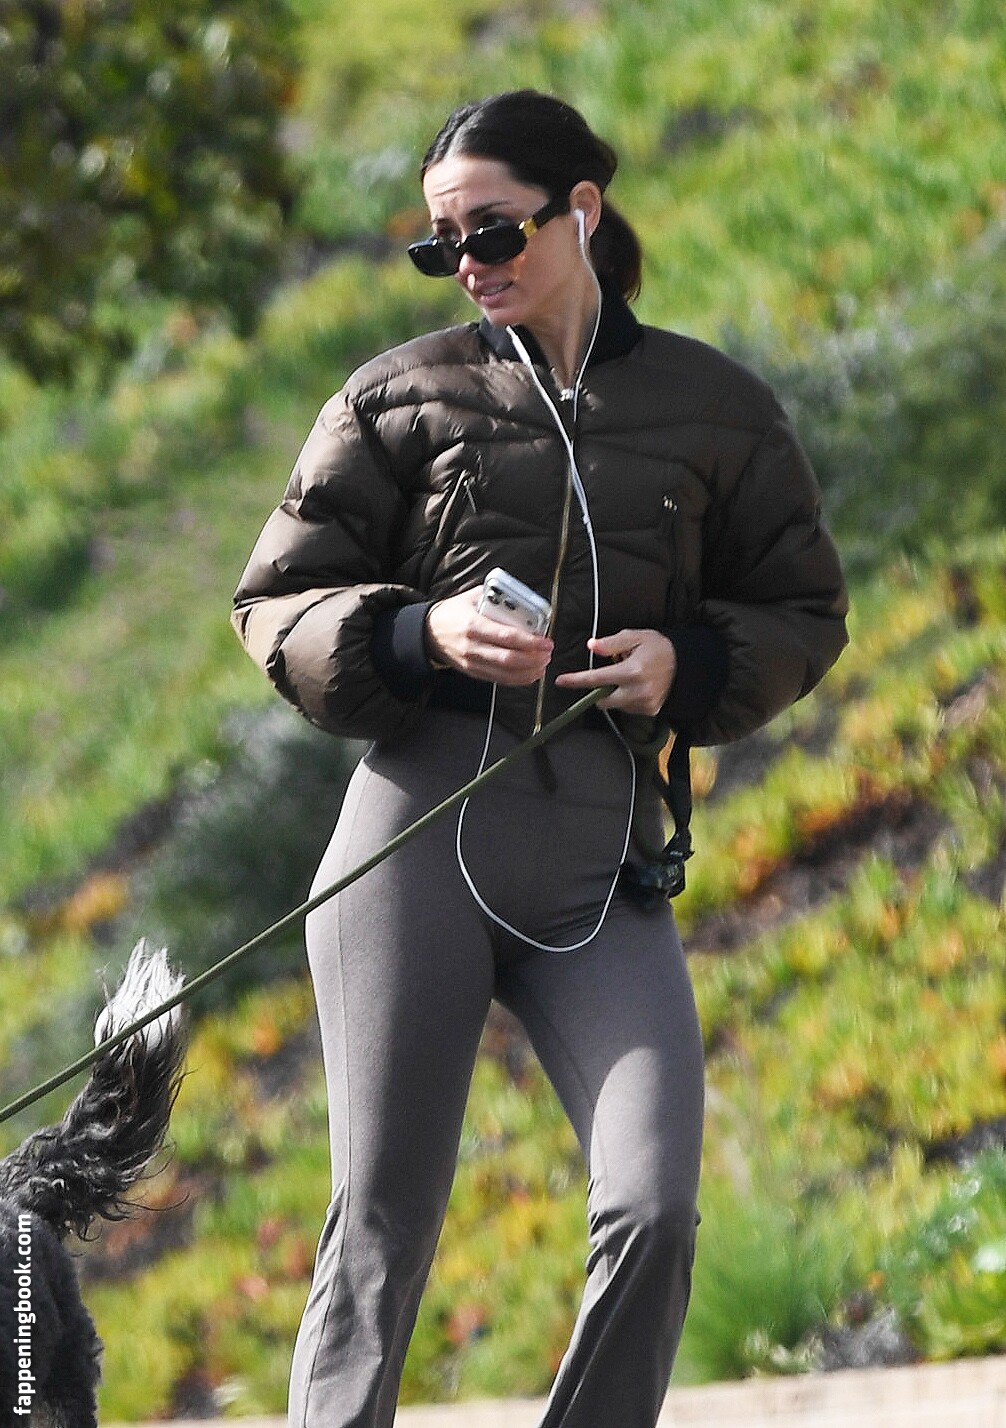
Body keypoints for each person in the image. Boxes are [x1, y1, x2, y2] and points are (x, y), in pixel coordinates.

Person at [232, 89, 848, 1428]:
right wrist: (417, 631)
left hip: (601, 856)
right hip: (415, 842)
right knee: (382, 1223)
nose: (468, 264)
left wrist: (688, 664)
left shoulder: (718, 409)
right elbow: (274, 604)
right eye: (440, 244)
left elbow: (803, 609)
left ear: (581, 208)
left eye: (493, 231)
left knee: (655, 1206)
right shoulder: (397, 398)